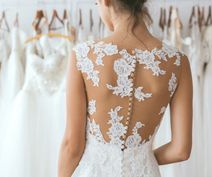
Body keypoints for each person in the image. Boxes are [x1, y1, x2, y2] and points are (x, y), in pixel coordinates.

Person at [58, 0, 193, 177]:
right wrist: (141, 159)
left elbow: (72, 146)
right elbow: (180, 150)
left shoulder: (83, 56)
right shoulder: (178, 62)